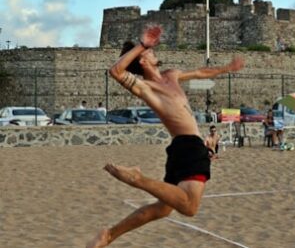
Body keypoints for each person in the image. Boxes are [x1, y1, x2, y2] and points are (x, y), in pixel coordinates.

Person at [86, 25, 245, 248]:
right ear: (142, 61)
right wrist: (142, 45)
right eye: (148, 52)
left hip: (183, 147)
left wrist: (226, 68)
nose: (153, 51)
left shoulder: (171, 75)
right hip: (188, 145)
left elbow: (200, 73)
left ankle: (109, 235)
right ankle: (137, 179)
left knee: (161, 209)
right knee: (189, 207)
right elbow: (116, 72)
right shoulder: (146, 87)